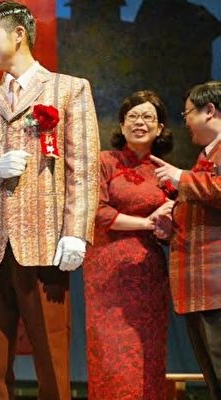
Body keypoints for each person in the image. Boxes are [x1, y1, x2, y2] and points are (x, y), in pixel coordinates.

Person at [0, 2, 100, 399]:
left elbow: (83, 168)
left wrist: (76, 232)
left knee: (51, 353)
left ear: (18, 34)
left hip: (45, 241)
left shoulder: (69, 89)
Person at [82, 90, 174, 399]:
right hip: (108, 273)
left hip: (148, 274)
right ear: (121, 125)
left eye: (148, 117)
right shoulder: (104, 161)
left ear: (160, 128)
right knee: (110, 354)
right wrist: (146, 223)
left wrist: (167, 224)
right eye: (132, 116)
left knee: (148, 355)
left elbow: (172, 227)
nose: (140, 122)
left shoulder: (164, 172)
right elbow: (97, 211)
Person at [151, 80, 221, 399]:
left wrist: (180, 177)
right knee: (213, 377)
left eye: (188, 112)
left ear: (210, 110)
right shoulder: (205, 156)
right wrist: (172, 222)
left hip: (216, 287)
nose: (186, 121)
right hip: (200, 288)